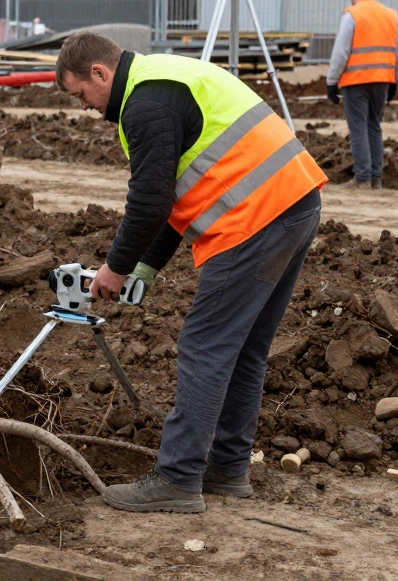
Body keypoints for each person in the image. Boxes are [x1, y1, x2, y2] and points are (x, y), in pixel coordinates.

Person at [56, 32, 327, 513]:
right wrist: (146, 266)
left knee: (205, 346)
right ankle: (227, 468)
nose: (85, 108)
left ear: (100, 73)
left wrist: (115, 269)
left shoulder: (145, 105)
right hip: (294, 203)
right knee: (243, 350)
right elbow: (176, 196)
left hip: (254, 218)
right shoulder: (164, 79)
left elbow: (149, 202)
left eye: (81, 94)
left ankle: (179, 478)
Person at [326, 0, 398, 190]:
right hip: (382, 80)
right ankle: (376, 179)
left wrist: (332, 81)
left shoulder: (352, 15)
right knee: (374, 127)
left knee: (358, 127)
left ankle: (361, 178)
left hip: (356, 81)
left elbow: (341, 51)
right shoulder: (390, 15)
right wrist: (394, 79)